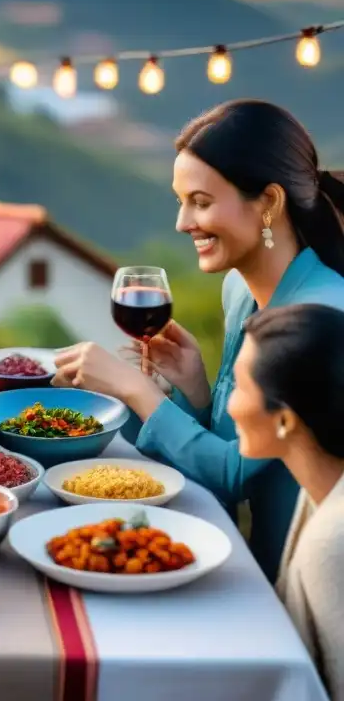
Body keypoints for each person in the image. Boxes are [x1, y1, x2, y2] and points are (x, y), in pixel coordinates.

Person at [49, 99, 344, 583]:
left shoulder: (322, 315)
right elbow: (239, 451)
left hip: (298, 584)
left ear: (268, 203)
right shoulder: (239, 291)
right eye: (181, 200)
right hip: (243, 559)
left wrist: (137, 392)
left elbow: (234, 474)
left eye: (201, 202)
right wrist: (197, 391)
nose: (183, 223)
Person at [228, 304, 344, 699]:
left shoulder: (331, 543)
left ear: (285, 420)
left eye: (241, 388)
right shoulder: (319, 491)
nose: (231, 406)